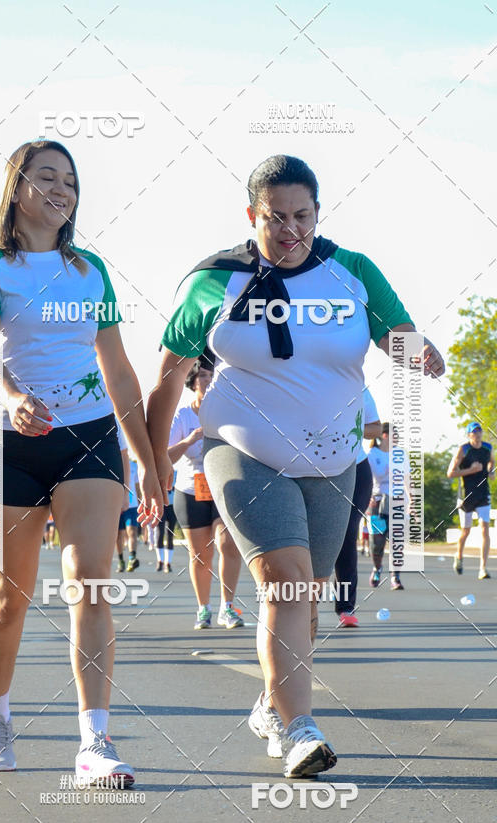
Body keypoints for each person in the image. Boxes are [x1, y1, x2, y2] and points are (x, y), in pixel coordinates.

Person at [147, 154, 444, 776]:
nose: (291, 230)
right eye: (276, 217)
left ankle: (272, 701)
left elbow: (398, 335)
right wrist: (151, 467)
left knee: (306, 599)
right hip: (241, 448)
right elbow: (166, 385)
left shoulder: (352, 272)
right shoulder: (214, 281)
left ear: (318, 212)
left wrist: (422, 354)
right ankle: (300, 729)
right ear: (251, 215)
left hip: (335, 457)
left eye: (302, 216)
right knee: (285, 579)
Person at [0, 139, 161, 784]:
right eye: (47, 176)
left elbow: (119, 369)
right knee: (9, 597)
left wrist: (149, 463)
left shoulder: (90, 269)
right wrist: (13, 395)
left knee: (91, 581)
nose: (62, 189)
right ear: (16, 187)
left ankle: (94, 744)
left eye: (70, 181)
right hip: (8, 442)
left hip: (89, 434)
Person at [168, 356, 244, 630]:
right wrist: (189, 440)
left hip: (224, 486)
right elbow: (166, 457)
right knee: (201, 555)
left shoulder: (225, 412)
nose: (208, 379)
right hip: (190, 489)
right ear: (192, 381)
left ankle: (228, 607)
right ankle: (204, 608)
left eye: (212, 376)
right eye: (202, 376)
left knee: (227, 544)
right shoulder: (183, 416)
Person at [333, 388, 382, 626]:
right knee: (311, 538)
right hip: (313, 470)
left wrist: (347, 428)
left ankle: (346, 607)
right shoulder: (308, 376)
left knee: (348, 533)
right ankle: (301, 603)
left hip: (356, 469)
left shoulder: (359, 387)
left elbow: (376, 428)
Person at [447, 422, 494, 579]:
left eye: (479, 431)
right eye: (474, 432)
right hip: (466, 496)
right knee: (466, 531)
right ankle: (459, 556)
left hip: (483, 494)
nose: (477, 434)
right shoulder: (464, 450)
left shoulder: (488, 447)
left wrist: (490, 471)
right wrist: (470, 470)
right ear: (469, 435)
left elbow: (491, 461)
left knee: (484, 529)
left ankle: (483, 568)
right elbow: (450, 473)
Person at [367, 423, 408, 591]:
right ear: (384, 435)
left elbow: (407, 478)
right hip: (377, 502)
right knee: (377, 542)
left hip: (398, 501)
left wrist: (412, 500)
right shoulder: (372, 454)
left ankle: (395, 577)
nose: (396, 437)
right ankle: (377, 568)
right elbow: (370, 478)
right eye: (394, 434)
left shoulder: (401, 454)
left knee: (397, 541)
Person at [155, 471, 177, 573]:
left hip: (173, 507)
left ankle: (168, 563)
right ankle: (160, 561)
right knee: (160, 533)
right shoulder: (160, 470)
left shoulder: (177, 472)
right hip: (162, 505)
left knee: (170, 535)